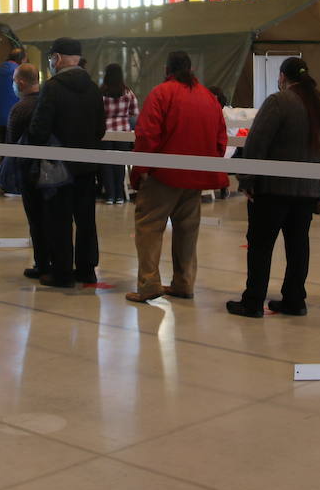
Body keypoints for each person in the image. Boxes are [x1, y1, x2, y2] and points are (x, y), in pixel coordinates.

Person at [226, 58, 320, 317]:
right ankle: (294, 301)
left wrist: (247, 180)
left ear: (282, 77)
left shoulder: (278, 102)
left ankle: (253, 301)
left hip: (273, 189)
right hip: (309, 191)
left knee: (260, 245)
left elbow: (257, 143)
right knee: (298, 244)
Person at [125, 52, 227, 304]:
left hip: (163, 175)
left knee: (149, 228)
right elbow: (220, 139)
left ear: (166, 68)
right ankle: (184, 282)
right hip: (195, 177)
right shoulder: (207, 97)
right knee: (187, 230)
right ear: (190, 69)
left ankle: (149, 285)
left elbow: (147, 135)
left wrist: (139, 171)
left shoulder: (161, 93)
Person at [27, 37, 105, 287]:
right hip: (87, 166)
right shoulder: (93, 87)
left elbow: (39, 130)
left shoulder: (52, 87)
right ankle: (87, 270)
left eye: (51, 58)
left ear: (57, 58)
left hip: (58, 168)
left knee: (58, 219)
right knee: (86, 220)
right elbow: (101, 129)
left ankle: (61, 272)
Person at [6, 63, 48, 279]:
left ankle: (41, 263)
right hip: (51, 171)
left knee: (36, 219)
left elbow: (11, 142)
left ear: (21, 82)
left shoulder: (19, 109)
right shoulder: (47, 104)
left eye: (14, 80)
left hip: (28, 172)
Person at [99, 63, 139, 205]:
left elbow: (95, 112)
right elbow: (135, 112)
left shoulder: (101, 93)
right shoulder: (128, 92)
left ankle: (109, 196)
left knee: (106, 165)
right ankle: (120, 195)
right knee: (119, 164)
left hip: (105, 132)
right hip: (123, 132)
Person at [0, 48, 24, 140]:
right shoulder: (20, 73)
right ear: (23, 59)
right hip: (18, 118)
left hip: (2, 120)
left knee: (5, 151)